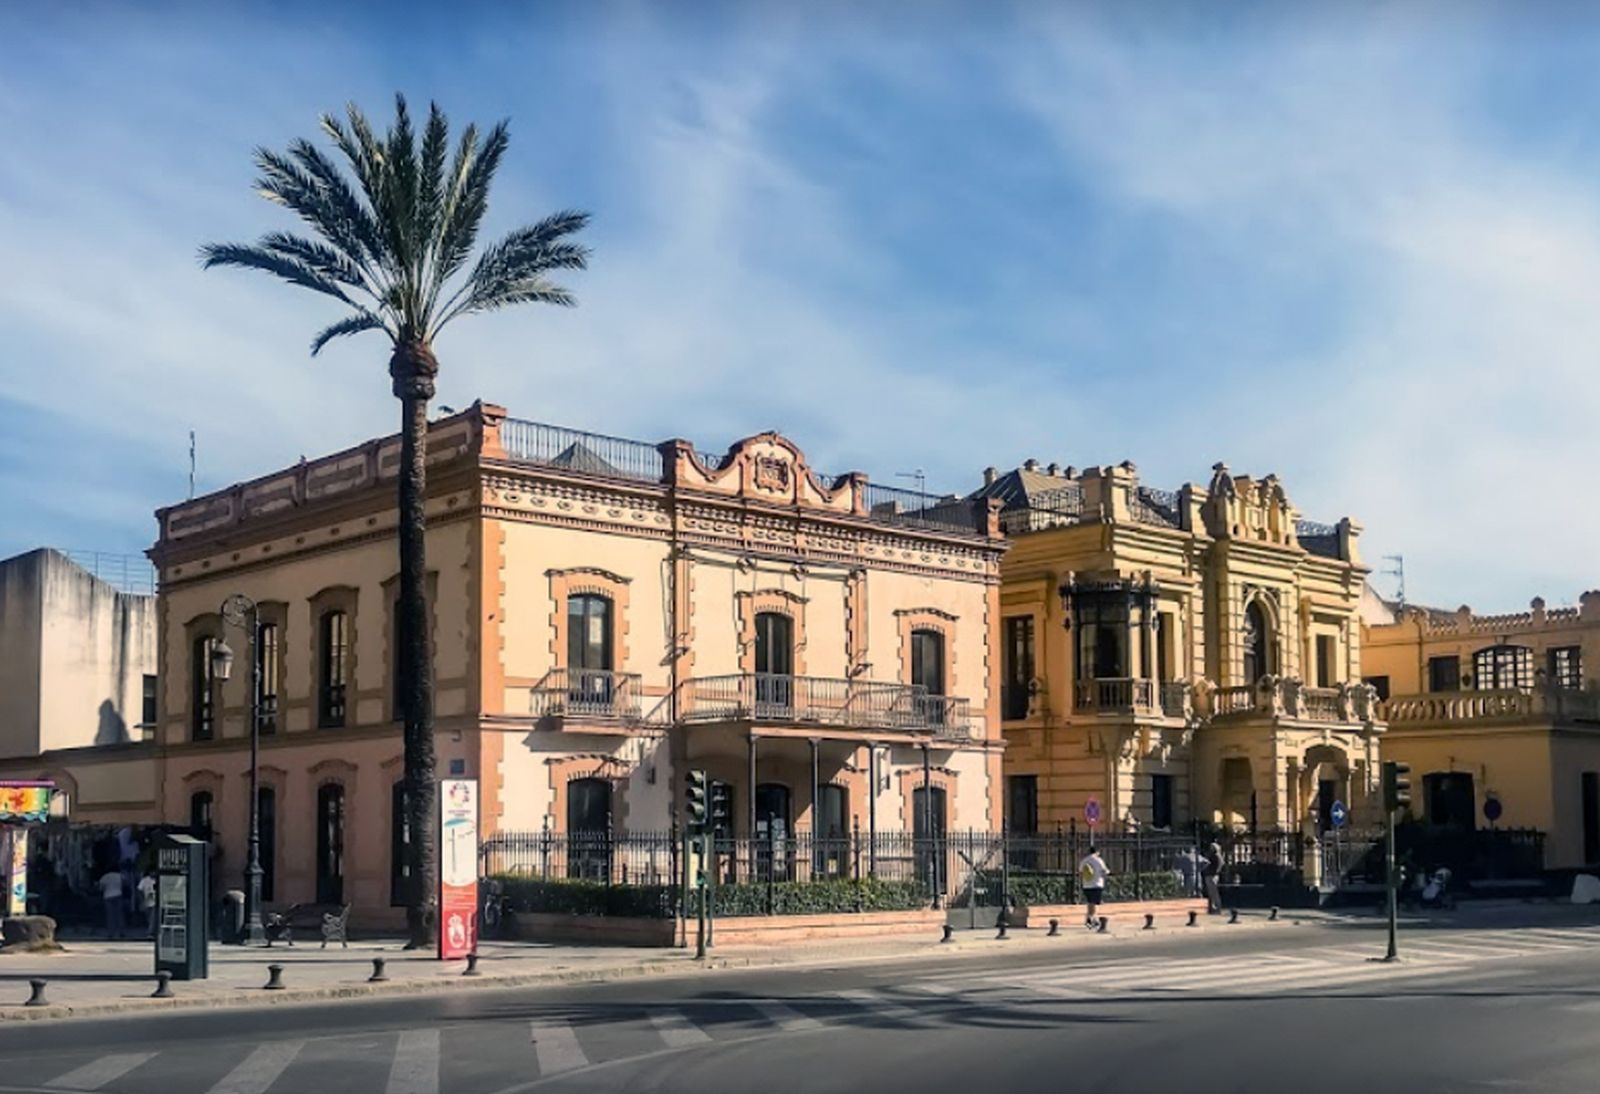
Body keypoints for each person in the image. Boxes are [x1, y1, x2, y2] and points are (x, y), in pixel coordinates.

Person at [1079, 844, 1110, 928]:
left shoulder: (1084, 860)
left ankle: (1090, 918)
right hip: (1097, 884)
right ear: (1097, 852)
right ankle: (1091, 919)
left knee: (1090, 902)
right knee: (1094, 903)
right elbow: (1105, 871)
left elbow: (1081, 872)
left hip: (1086, 885)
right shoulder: (1099, 860)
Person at [98, 866, 126, 939]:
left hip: (107, 896)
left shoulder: (104, 877)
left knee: (110, 916)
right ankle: (121, 932)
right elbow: (125, 884)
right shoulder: (120, 876)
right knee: (119, 915)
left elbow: (101, 888)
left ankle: (111, 933)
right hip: (118, 895)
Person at [1202, 841, 1224, 914]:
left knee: (1214, 893)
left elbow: (1220, 864)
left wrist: (1215, 872)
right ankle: (1212, 908)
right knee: (1211, 893)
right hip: (1210, 875)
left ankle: (1217, 908)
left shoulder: (1216, 856)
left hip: (1213, 875)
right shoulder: (1212, 855)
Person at [137, 871, 158, 937]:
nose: (154, 873)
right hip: (147, 900)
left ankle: (150, 932)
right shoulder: (145, 880)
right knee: (149, 918)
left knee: (152, 917)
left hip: (155, 901)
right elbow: (139, 890)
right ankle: (152, 931)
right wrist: (141, 900)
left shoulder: (158, 879)